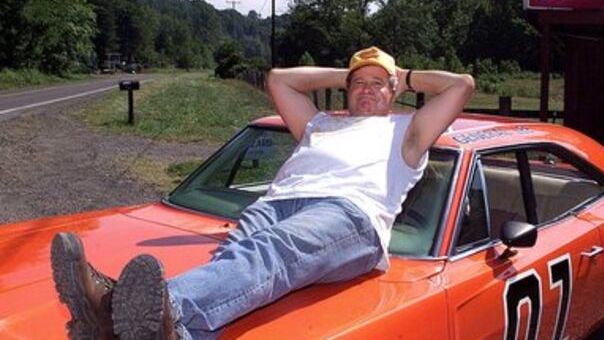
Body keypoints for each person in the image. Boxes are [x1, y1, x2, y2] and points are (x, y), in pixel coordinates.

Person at [50, 46, 475, 339]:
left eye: (378, 83)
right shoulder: (321, 122)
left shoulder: (406, 131)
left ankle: (120, 309)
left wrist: (404, 76)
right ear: (346, 88)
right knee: (235, 268)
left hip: (351, 217)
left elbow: (462, 85)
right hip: (274, 205)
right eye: (358, 82)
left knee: (269, 252)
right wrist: (351, 72)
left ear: (394, 91)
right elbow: (279, 80)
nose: (367, 88)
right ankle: (155, 325)